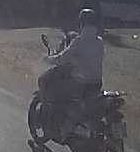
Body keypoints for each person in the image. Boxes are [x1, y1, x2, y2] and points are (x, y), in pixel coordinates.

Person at [44, 8, 105, 137]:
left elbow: (62, 58)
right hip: (96, 83)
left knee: (59, 94)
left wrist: (49, 59)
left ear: (82, 23)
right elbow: (90, 59)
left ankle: (65, 128)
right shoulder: (99, 41)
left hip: (81, 82)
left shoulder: (79, 41)